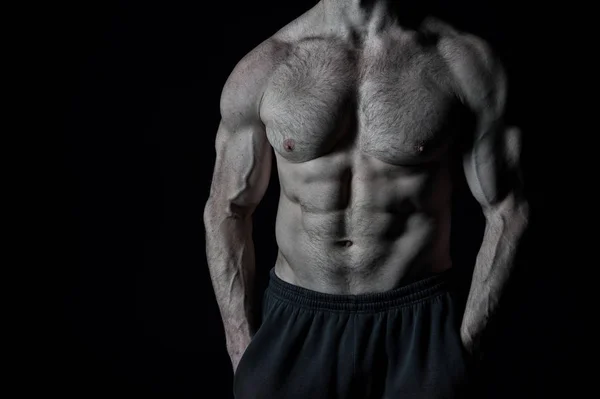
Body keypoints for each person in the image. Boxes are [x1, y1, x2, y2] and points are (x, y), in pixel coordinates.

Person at [203, 0, 529, 397]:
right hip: (294, 322)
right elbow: (227, 209)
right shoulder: (267, 66)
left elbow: (507, 210)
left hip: (418, 326)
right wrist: (241, 347)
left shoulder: (461, 61)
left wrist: (468, 345)